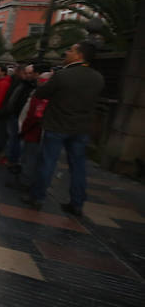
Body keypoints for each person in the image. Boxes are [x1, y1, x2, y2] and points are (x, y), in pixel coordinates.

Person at [25, 43, 104, 216]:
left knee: (48, 162)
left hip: (57, 125)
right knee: (78, 166)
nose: (66, 52)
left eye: (70, 50)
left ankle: (37, 197)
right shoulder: (98, 77)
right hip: (81, 128)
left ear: (79, 55)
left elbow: (41, 93)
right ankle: (77, 203)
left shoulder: (63, 75)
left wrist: (51, 81)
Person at [14, 71, 51, 190]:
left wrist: (25, 128)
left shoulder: (42, 95)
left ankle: (26, 181)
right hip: (30, 129)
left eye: (40, 79)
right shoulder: (38, 93)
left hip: (33, 132)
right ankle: (25, 178)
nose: (37, 80)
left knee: (30, 157)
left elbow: (35, 115)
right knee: (27, 155)